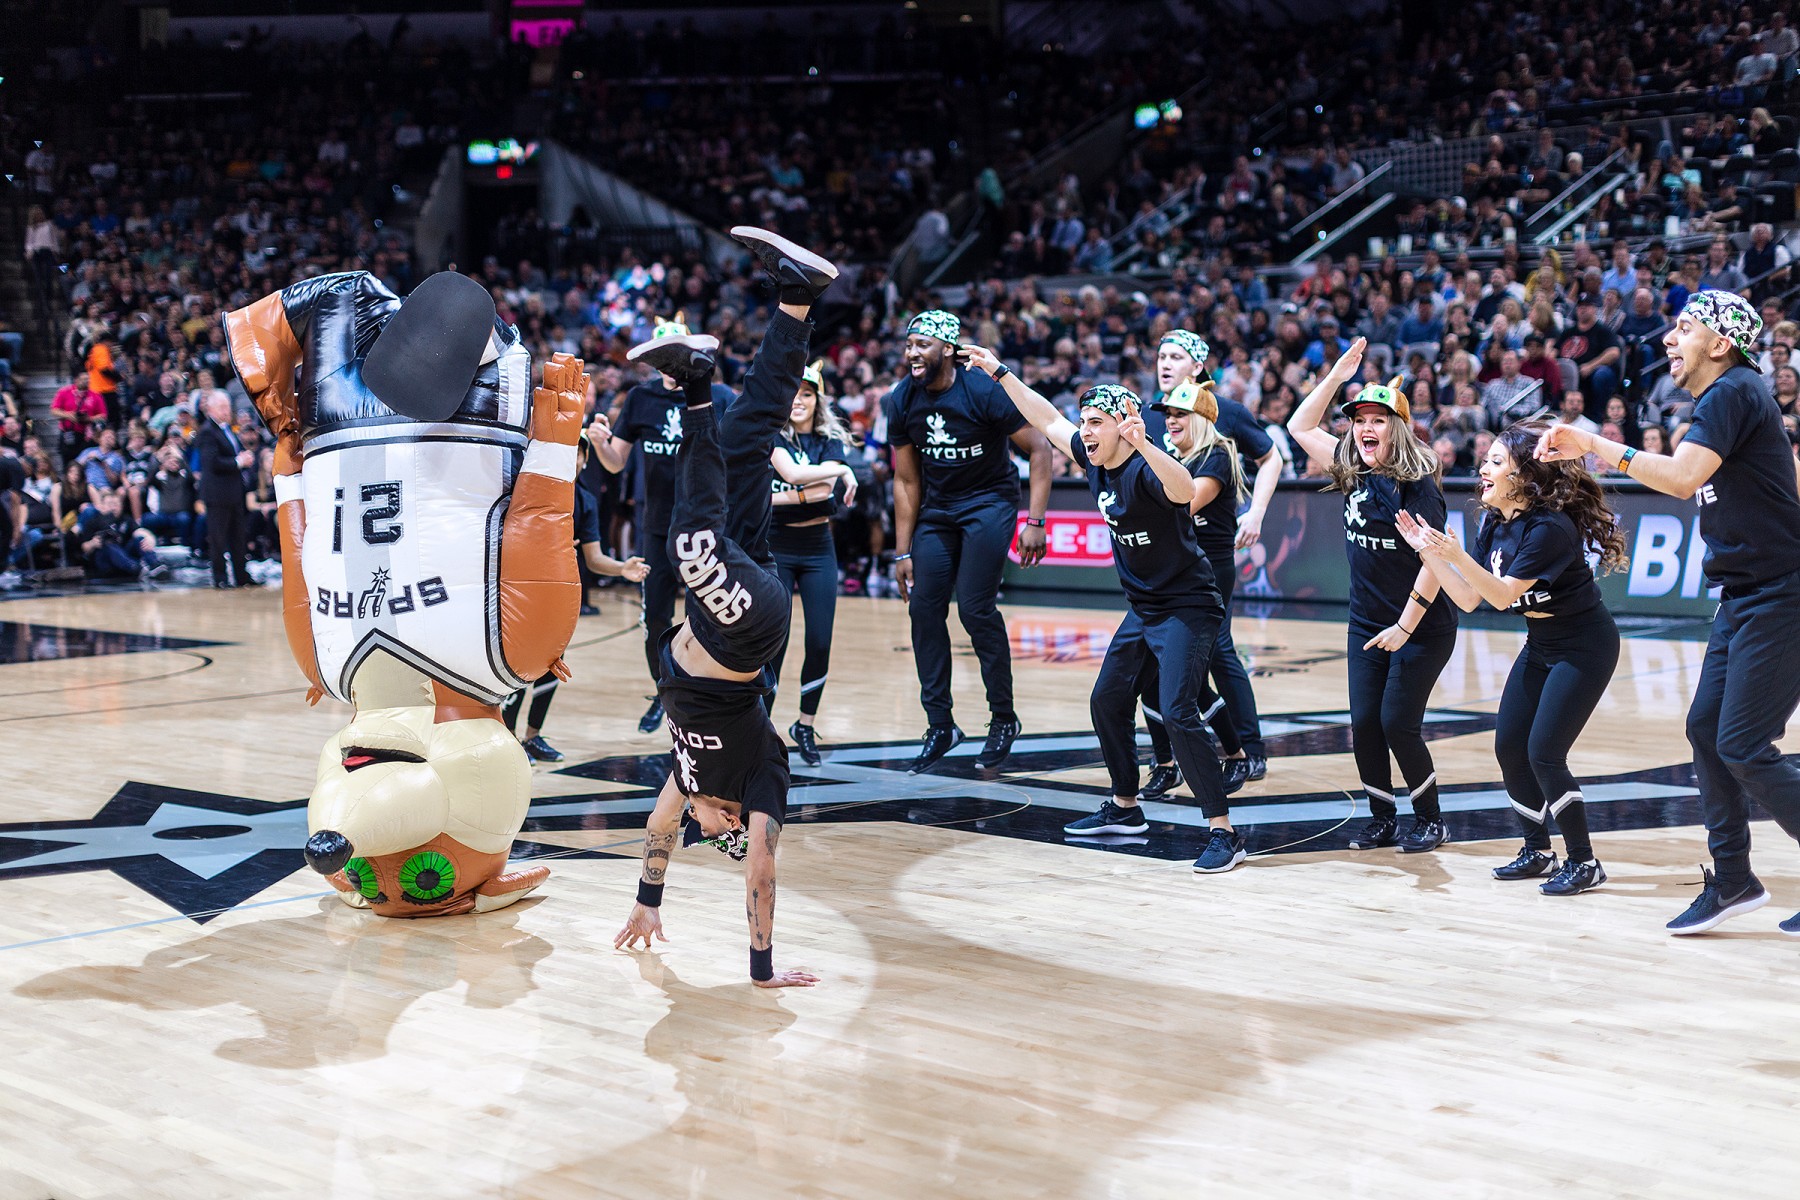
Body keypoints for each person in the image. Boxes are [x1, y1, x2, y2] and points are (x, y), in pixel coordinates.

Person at [1536, 292, 1800, 934]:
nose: (1668, 339)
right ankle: (1733, 879)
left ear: (1721, 343)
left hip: (1782, 594)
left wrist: (1593, 443)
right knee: (1706, 730)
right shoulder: (1731, 398)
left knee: (1741, 743)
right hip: (1743, 594)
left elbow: (1682, 480)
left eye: (1685, 327)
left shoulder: (1734, 389)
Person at [614, 226, 835, 987]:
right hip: (746, 631)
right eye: (708, 832)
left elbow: (656, 829)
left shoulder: (687, 779)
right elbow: (762, 871)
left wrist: (648, 900)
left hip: (736, 598)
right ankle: (697, 383)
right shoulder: (757, 785)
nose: (693, 826)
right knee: (691, 544)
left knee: (745, 439)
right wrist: (762, 970)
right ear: (732, 821)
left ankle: (796, 299)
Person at [963, 348, 1241, 873]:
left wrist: (1145, 444)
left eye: (1096, 422)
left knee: (1178, 711)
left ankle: (1223, 832)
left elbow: (1183, 490)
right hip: (1144, 608)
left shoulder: (1145, 466)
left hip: (1188, 606)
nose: (1085, 431)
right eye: (1085, 422)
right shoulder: (1095, 460)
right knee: (1107, 700)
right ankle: (1125, 807)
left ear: (1122, 426)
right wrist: (1001, 371)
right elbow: (1046, 418)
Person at [1398, 423, 1627, 895]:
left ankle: (1584, 861)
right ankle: (1538, 850)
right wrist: (1430, 554)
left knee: (1544, 753)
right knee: (1509, 747)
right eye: (1486, 460)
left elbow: (1501, 596)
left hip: (1585, 645)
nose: (1483, 468)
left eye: (1496, 461)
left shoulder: (1549, 529)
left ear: (1523, 476)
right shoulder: (1494, 521)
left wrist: (1456, 554)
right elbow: (1468, 599)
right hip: (1541, 643)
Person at [1289, 339, 1458, 853]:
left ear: (1398, 428)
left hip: (1421, 625)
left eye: (1378, 420)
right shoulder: (1352, 466)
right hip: (1366, 621)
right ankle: (1382, 818)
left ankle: (1430, 820)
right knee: (1364, 724)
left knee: (1396, 724)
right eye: (1359, 420)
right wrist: (1337, 376)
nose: (1366, 427)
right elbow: (1299, 427)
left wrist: (1404, 627)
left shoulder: (1419, 486)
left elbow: (1435, 566)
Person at [887, 310, 1051, 775]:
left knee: (975, 609)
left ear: (947, 349)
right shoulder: (902, 398)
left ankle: (1004, 717)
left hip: (989, 503)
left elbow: (1040, 448)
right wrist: (902, 551)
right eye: (908, 345)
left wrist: (1035, 520)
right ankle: (941, 724)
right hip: (938, 510)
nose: (912, 353)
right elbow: (906, 480)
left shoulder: (982, 389)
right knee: (924, 608)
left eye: (922, 344)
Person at [1138, 328, 1282, 784]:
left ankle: (1249, 748)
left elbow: (1272, 458)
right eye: (1161, 355)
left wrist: (1255, 512)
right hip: (1165, 556)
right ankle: (1172, 757)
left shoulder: (1225, 412)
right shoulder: (1149, 415)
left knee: (1218, 649)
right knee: (1157, 655)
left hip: (1207, 552)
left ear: (1198, 367)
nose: (1165, 363)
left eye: (1176, 356)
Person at [591, 314, 738, 734]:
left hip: (706, 527)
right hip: (657, 525)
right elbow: (616, 462)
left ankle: (704, 694)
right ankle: (664, 692)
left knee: (705, 614)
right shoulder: (641, 398)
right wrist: (600, 444)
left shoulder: (719, 396)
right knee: (656, 617)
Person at [505, 433, 650, 763]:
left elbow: (594, 558)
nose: (574, 459)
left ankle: (533, 737)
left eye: (580, 453)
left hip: (558, 592)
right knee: (518, 662)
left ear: (585, 460)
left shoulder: (584, 500)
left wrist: (622, 568)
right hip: (521, 589)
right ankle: (508, 737)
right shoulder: (528, 490)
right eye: (569, 452)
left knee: (552, 662)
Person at [767, 360, 859, 766]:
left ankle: (805, 724)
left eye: (806, 393)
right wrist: (833, 474)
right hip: (776, 548)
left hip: (819, 548)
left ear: (817, 399)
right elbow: (794, 474)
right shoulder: (772, 435)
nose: (798, 400)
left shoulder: (829, 439)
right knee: (775, 642)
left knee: (820, 641)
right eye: (792, 393)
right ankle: (760, 727)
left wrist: (784, 495)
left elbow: (827, 495)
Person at [193, 389, 253, 588]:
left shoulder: (227, 429)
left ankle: (241, 576)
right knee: (218, 538)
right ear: (210, 409)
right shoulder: (207, 431)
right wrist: (239, 461)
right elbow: (212, 463)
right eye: (221, 407)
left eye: (227, 406)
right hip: (217, 494)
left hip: (234, 492)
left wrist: (242, 458)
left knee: (238, 536)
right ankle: (220, 578)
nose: (226, 410)